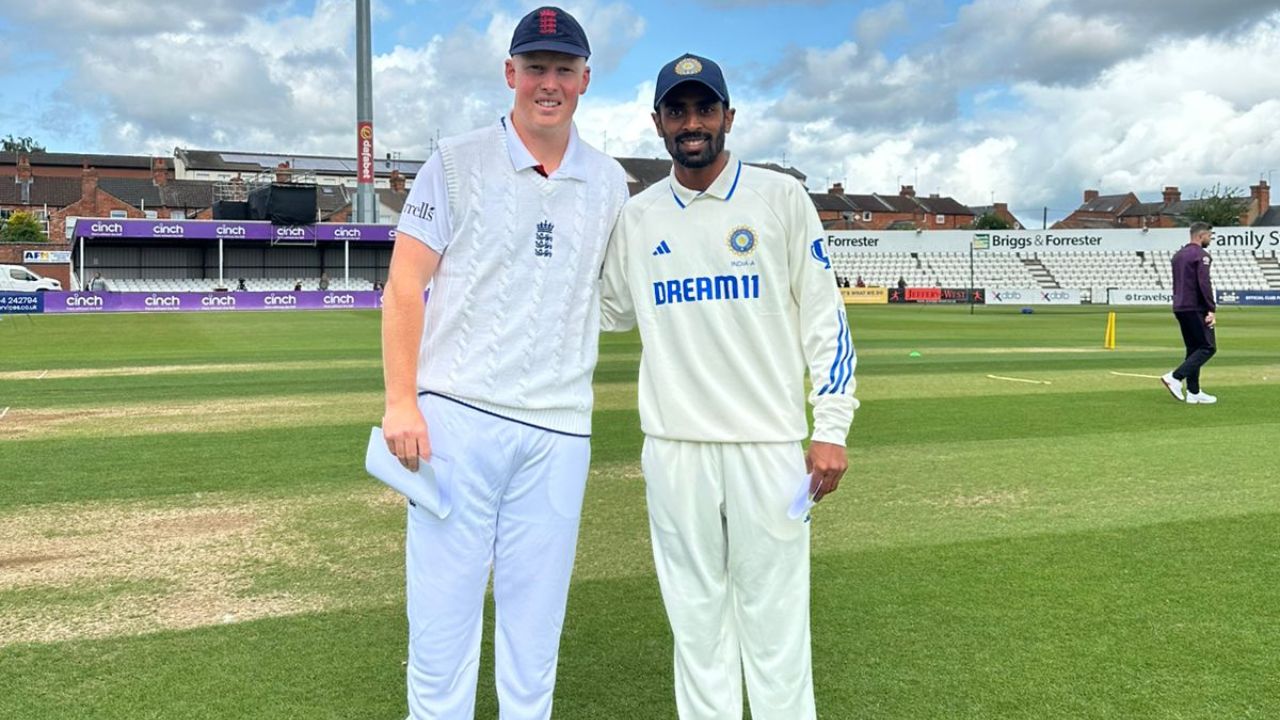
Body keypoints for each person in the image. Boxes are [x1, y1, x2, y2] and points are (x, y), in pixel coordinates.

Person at [379, 7, 627, 719]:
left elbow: (616, 297)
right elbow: (404, 285)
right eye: (536, 68)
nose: (548, 84)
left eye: (563, 69)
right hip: (455, 420)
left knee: (534, 632)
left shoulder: (610, 183)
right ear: (510, 73)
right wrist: (403, 402)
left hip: (558, 430)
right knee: (441, 626)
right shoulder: (455, 161)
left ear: (584, 79)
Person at [600, 53, 857, 720]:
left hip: (766, 447)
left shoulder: (780, 198)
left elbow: (827, 321)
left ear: (728, 117)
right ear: (657, 122)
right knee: (696, 623)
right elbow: (606, 311)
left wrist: (829, 429)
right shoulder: (639, 216)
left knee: (774, 623)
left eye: (704, 108)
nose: (692, 123)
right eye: (678, 110)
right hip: (674, 446)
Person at [1161, 221, 1217, 404]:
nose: (1210, 239)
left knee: (1193, 348)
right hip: (1196, 307)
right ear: (1201, 236)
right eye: (1209, 235)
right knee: (1208, 347)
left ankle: (1194, 391)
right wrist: (1211, 308)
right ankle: (1175, 377)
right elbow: (1204, 283)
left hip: (1180, 306)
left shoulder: (1178, 255)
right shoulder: (1201, 255)